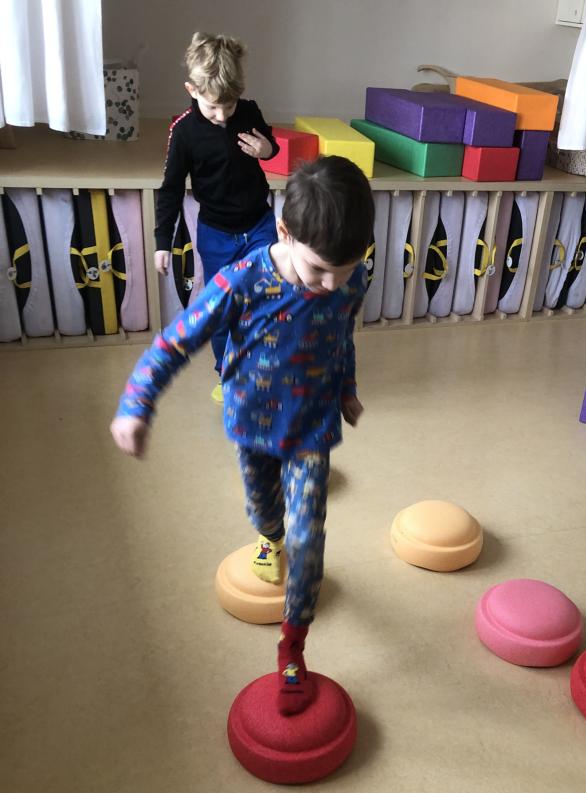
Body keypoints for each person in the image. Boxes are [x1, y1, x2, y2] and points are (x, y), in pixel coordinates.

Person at [111, 156, 375, 716]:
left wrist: (347, 388)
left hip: (312, 429)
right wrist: (136, 404)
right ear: (285, 232)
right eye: (319, 270)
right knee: (264, 512)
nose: (333, 284)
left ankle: (292, 648)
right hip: (252, 426)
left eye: (347, 269)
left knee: (309, 537)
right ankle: (268, 536)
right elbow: (174, 342)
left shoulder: (349, 279)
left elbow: (341, 335)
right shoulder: (242, 281)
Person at [155, 32, 279, 404]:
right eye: (213, 107)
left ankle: (264, 366)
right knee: (223, 309)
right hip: (216, 235)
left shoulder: (249, 111)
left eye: (229, 105)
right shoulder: (184, 131)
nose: (223, 115)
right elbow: (170, 190)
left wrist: (266, 150)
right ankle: (229, 374)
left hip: (259, 224)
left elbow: (271, 145)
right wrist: (162, 242)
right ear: (191, 90)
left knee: (267, 299)